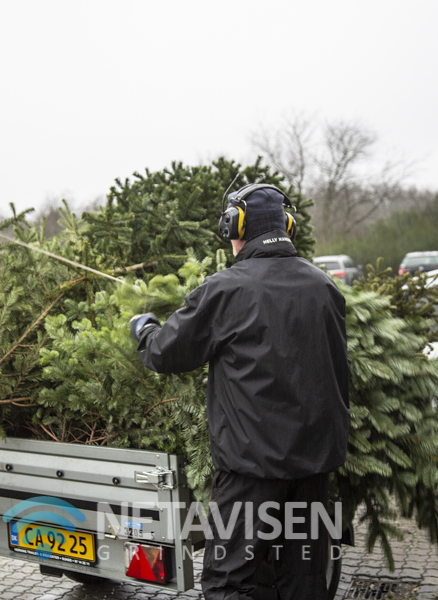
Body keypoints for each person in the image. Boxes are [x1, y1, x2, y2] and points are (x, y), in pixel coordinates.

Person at [130, 184, 350, 599]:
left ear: (238, 225)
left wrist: (145, 330)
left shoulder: (227, 288)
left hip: (251, 472)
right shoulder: (324, 287)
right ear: (286, 226)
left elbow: (165, 353)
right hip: (314, 469)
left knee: (231, 582)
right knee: (304, 581)